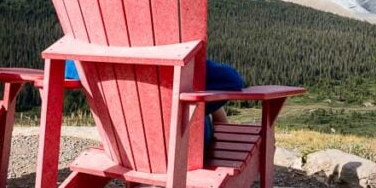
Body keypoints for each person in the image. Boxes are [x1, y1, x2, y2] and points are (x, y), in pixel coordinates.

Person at [64, 58, 245, 143]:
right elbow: (233, 81)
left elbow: (66, 67)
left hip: (126, 147)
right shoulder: (176, 55)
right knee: (196, 91)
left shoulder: (85, 58)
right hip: (182, 150)